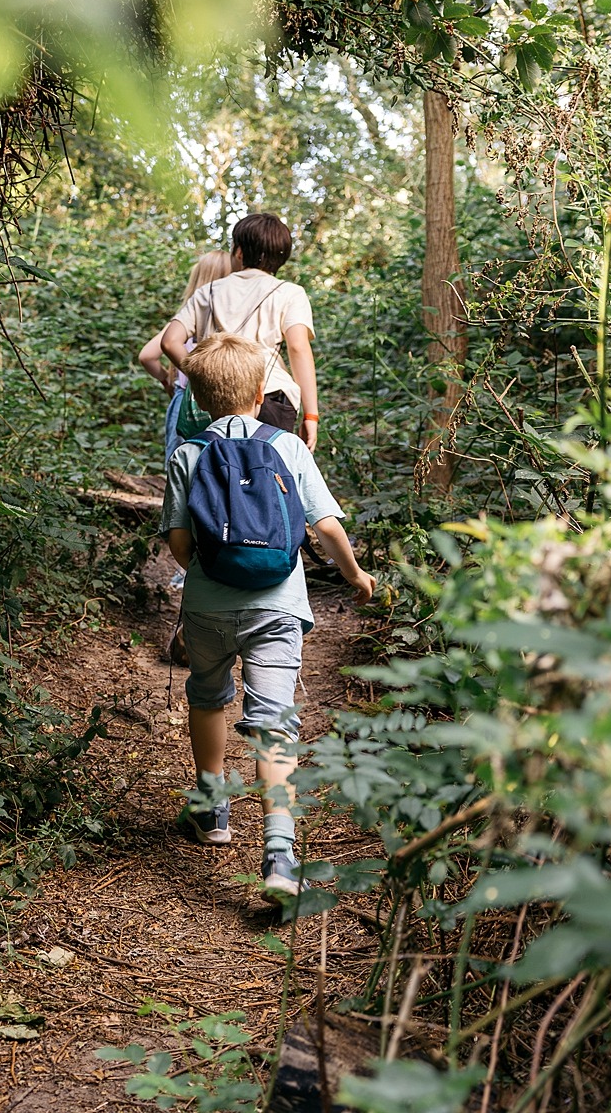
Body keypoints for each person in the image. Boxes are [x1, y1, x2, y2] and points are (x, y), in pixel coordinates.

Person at [159, 333, 374, 902]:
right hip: (278, 606)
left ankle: (212, 813)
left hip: (207, 606)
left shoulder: (187, 453)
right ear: (261, 393)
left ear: (200, 399)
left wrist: (210, 572)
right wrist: (354, 576)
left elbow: (179, 542)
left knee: (208, 694)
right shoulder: (290, 448)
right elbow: (325, 526)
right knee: (274, 719)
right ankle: (279, 853)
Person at [161, 213, 320, 451]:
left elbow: (169, 341)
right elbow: (297, 347)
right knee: (268, 474)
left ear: (239, 251)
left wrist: (205, 377)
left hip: (216, 401)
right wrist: (311, 415)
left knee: (213, 472)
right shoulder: (290, 293)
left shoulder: (208, 291)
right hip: (269, 394)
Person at [136, 250, 234, 462]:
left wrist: (167, 381)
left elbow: (147, 356)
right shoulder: (230, 321)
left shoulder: (184, 320)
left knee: (181, 466)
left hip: (185, 402)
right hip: (221, 401)